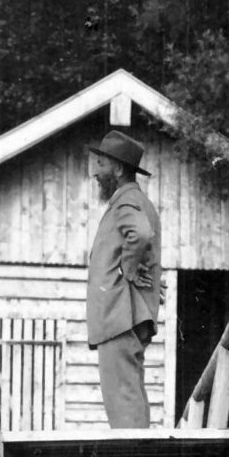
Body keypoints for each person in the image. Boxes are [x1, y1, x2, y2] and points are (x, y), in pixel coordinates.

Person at [87, 130, 162, 428]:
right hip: (128, 313)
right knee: (130, 393)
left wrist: (128, 269)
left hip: (118, 315)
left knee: (122, 398)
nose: (96, 172)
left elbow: (141, 234)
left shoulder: (125, 201)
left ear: (118, 169)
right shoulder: (138, 201)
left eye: (101, 164)